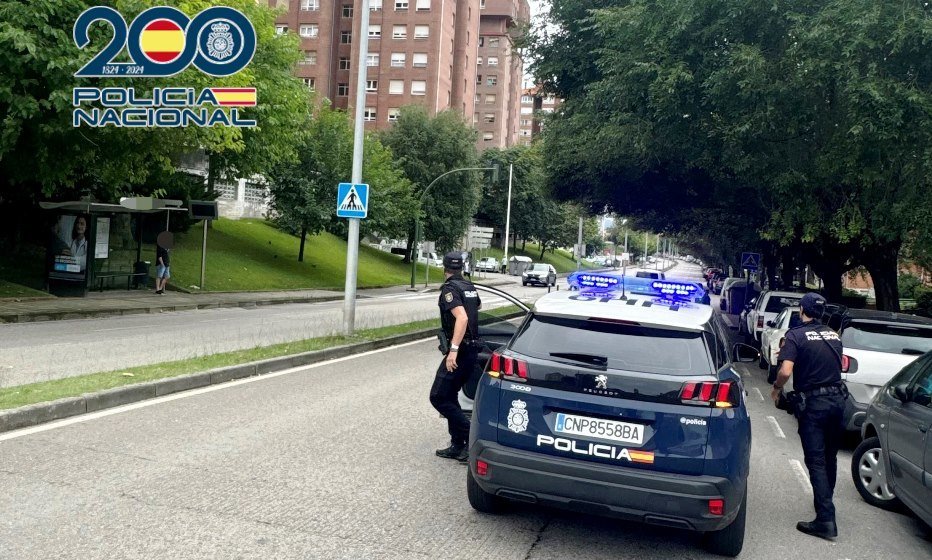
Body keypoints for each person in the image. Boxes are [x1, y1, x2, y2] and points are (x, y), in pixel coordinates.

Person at [771, 292, 845, 540]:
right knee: (830, 457)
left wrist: (777, 388)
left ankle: (825, 519)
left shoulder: (795, 335)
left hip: (814, 405)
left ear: (802, 310)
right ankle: (825, 503)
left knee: (815, 461)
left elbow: (786, 370)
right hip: (837, 402)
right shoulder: (834, 336)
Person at [429, 251, 482, 462]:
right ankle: (458, 444)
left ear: (444, 269)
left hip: (460, 352)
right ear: (461, 267)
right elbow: (477, 306)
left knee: (439, 396)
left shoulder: (449, 290)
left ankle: (470, 436)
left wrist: (453, 350)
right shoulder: (469, 286)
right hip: (472, 350)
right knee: (450, 395)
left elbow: (462, 318)